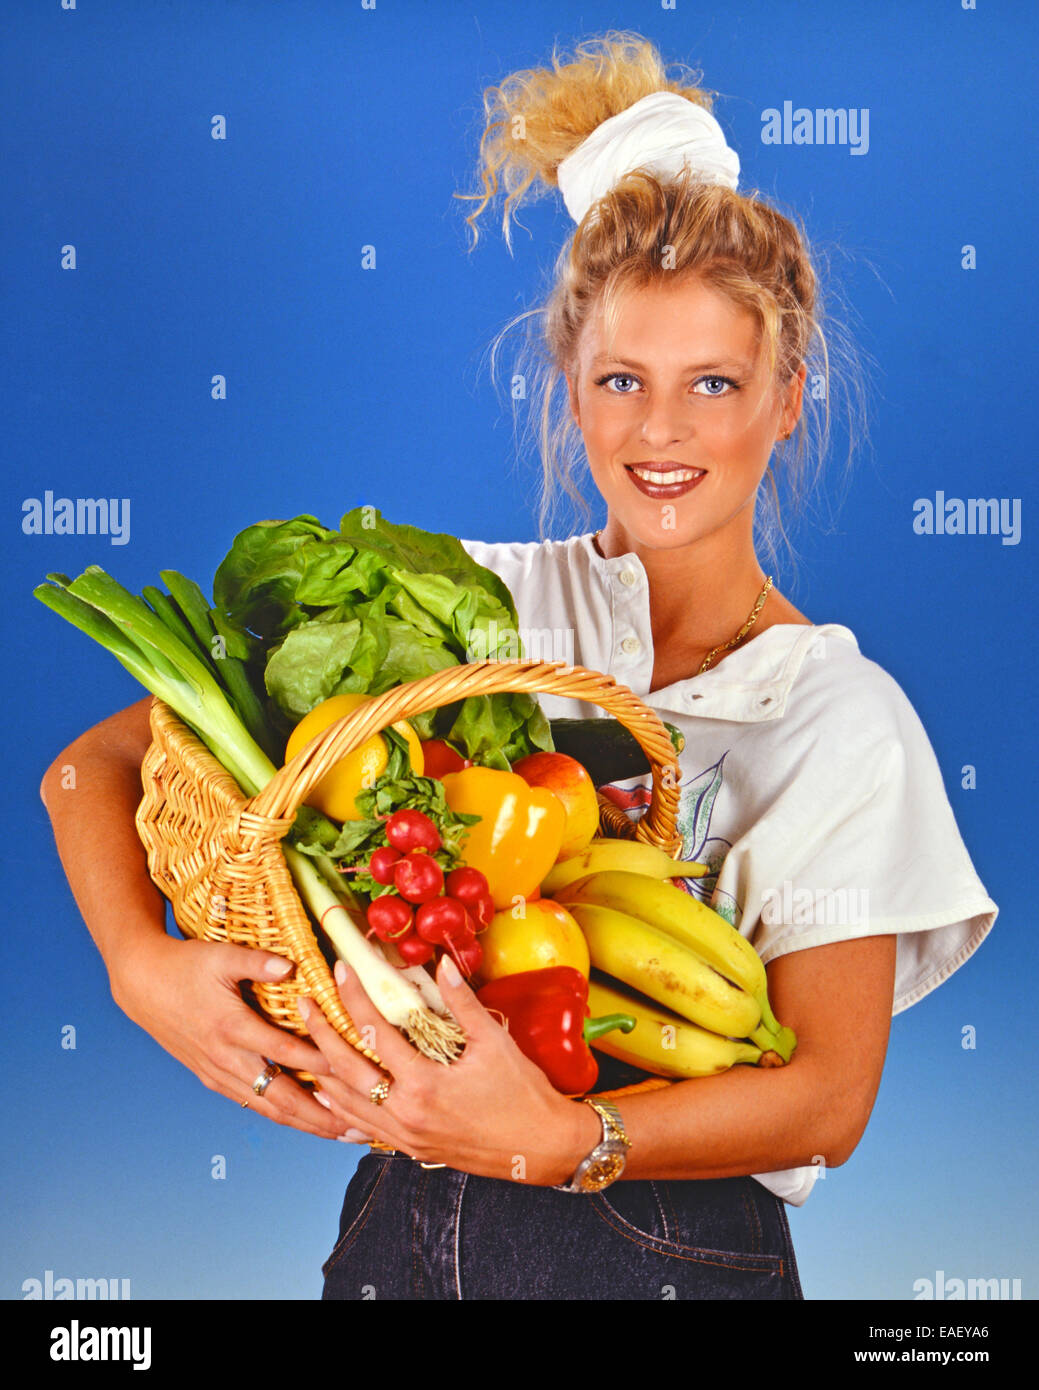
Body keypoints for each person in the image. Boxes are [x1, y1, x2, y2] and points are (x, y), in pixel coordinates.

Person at [40, 34, 996, 1301]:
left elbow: (826, 1101)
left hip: (665, 1237)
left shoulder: (836, 717)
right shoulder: (459, 607)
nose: (662, 431)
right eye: (621, 380)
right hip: (402, 1204)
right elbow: (94, 763)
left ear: (788, 398)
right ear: (571, 388)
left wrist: (570, 1141)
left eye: (714, 382)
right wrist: (136, 963)